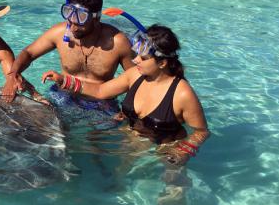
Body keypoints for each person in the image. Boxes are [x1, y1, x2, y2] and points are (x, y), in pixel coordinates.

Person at [42, 24, 209, 165]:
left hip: (165, 149)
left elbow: (201, 131)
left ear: (162, 63)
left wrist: (184, 151)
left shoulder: (182, 94)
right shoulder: (134, 75)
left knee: (172, 192)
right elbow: (100, 91)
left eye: (143, 58)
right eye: (136, 56)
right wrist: (64, 81)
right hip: (130, 140)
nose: (135, 60)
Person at [1, 0, 134, 114]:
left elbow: (135, 79)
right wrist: (12, 76)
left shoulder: (118, 42)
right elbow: (28, 53)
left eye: (80, 23)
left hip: (100, 103)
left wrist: (128, 110)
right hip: (62, 95)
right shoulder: (59, 32)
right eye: (70, 21)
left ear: (96, 18)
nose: (73, 28)